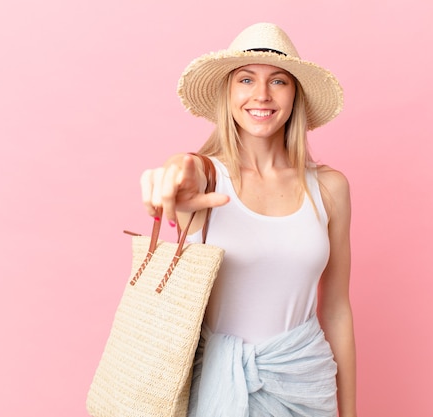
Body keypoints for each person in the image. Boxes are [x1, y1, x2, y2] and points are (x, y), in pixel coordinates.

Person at [140, 22, 356, 417]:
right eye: (245, 79)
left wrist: (351, 413)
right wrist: (173, 172)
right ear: (228, 93)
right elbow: (184, 168)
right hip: (216, 389)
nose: (261, 95)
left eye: (278, 81)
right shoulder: (206, 177)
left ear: (295, 95)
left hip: (306, 386)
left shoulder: (329, 188)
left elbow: (337, 309)